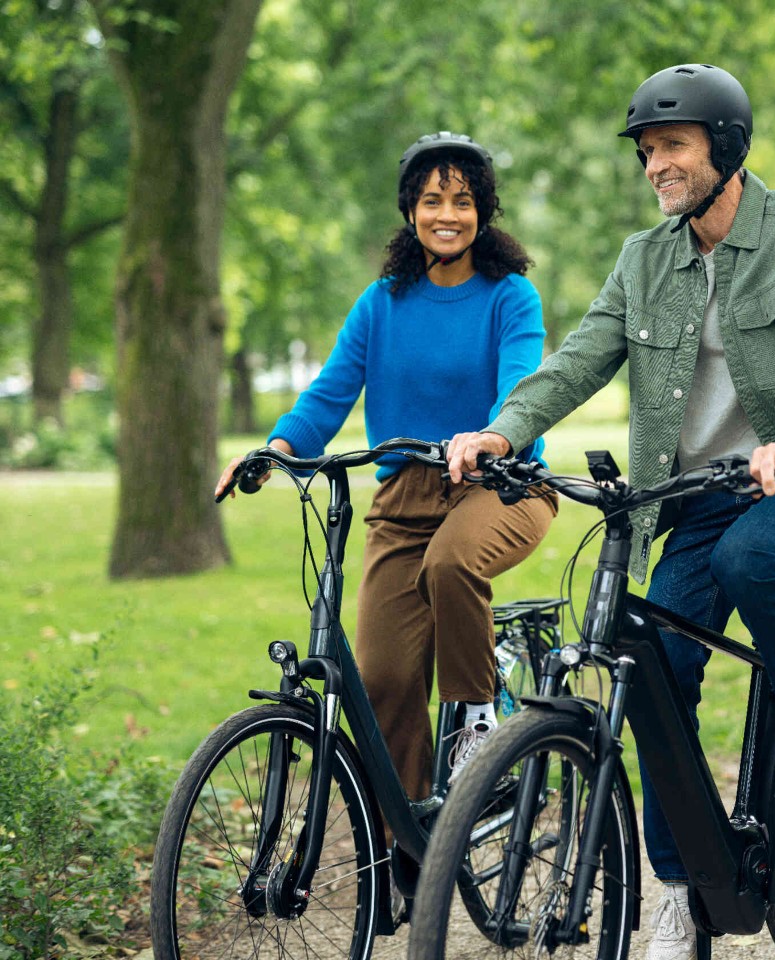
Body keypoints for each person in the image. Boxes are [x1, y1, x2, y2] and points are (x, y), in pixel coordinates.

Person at [446, 64, 775, 960]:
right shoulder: (644, 259)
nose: (656, 165)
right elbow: (580, 358)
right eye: (648, 151)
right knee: (653, 679)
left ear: (725, 150)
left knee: (751, 562)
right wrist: (505, 432)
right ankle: (676, 891)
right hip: (688, 501)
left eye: (673, 147)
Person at [215, 131, 558, 803]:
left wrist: (490, 437)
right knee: (384, 683)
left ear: (483, 212)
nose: (448, 215)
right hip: (403, 501)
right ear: (410, 212)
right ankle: (410, 853)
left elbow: (521, 387)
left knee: (452, 563)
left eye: (463, 201)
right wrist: (274, 452)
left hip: (501, 487)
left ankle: (480, 726)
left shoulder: (510, 297)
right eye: (433, 200)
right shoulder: (382, 303)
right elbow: (329, 392)